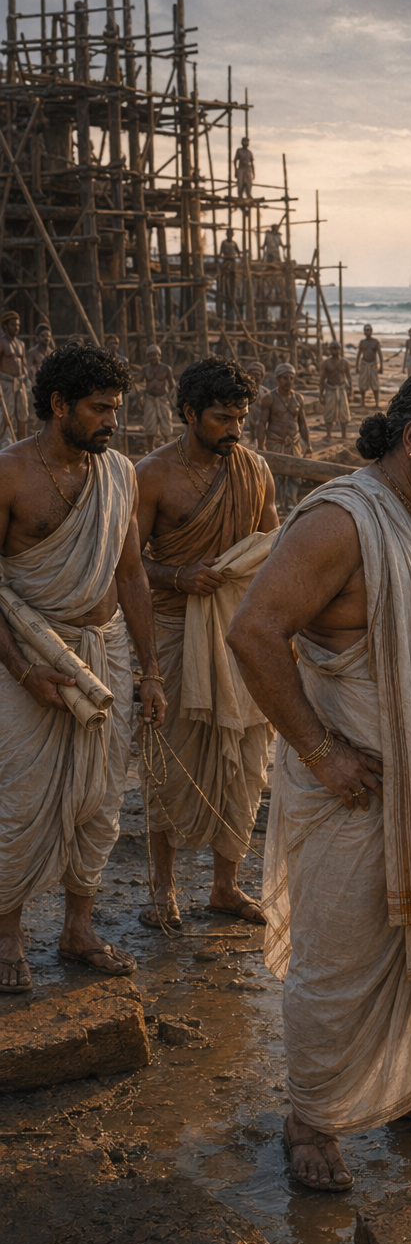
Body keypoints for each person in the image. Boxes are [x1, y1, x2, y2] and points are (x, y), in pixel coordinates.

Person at [227, 365, 411, 1192]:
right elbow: (254, 633)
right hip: (361, 800)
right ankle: (311, 1120)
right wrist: (321, 751)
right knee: (346, 963)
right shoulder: (341, 523)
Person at [0, 343, 166, 992]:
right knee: (21, 799)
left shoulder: (118, 473)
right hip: (28, 655)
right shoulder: (10, 474)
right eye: (100, 410)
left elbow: (131, 576)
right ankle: (8, 935)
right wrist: (22, 673)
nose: (112, 422)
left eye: (116, 410)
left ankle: (77, 928)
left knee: (100, 802)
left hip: (103, 652)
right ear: (59, 405)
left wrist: (150, 672)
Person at [135, 359, 278, 931]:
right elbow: (127, 569)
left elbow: (272, 552)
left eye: (241, 417)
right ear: (190, 413)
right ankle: (163, 889)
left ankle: (225, 886)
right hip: (171, 633)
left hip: (238, 632)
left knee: (244, 760)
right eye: (223, 418)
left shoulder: (255, 469)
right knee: (168, 761)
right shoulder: (151, 476)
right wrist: (178, 577)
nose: (235, 429)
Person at [257, 362, 310, 512]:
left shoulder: (298, 399)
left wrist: (308, 445)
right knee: (276, 475)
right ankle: (276, 504)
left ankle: (291, 501)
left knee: (295, 474)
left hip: (294, 442)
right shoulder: (269, 398)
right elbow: (261, 423)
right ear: (278, 379)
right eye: (285, 378)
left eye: (291, 378)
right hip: (276, 441)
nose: (288, 381)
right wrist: (261, 447)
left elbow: (303, 425)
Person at [137, 344, 175, 452]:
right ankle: (150, 451)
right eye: (151, 355)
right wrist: (139, 398)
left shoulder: (166, 368)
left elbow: (173, 385)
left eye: (155, 355)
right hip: (149, 399)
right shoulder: (145, 369)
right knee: (150, 428)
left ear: (160, 355)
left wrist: (171, 399)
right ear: (147, 357)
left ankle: (167, 451)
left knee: (166, 427)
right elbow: (137, 383)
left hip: (163, 399)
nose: (153, 357)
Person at [0, 310, 29, 446]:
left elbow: (23, 365)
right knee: (7, 415)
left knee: (23, 415)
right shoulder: (1, 343)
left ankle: (22, 444)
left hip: (21, 383)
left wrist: (26, 381)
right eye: (13, 325)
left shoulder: (21, 344)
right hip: (6, 383)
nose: (16, 328)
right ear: (6, 326)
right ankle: (3, 443)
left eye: (18, 325)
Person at [320, 342, 353, 442]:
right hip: (330, 389)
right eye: (333, 348)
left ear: (340, 348)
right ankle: (329, 435)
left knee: (344, 412)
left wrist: (350, 390)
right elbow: (322, 379)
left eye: (337, 348)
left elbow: (349, 377)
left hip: (342, 389)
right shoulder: (326, 363)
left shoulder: (345, 362)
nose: (335, 350)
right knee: (329, 412)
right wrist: (321, 394)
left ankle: (344, 435)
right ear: (330, 349)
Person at [26, 323, 55, 432]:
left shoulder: (51, 353)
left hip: (49, 387)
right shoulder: (32, 352)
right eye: (43, 336)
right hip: (35, 387)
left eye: (48, 335)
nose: (46, 338)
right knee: (34, 415)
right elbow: (28, 369)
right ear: (37, 337)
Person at [355, 325, 384, 407]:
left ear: (371, 331)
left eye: (368, 330)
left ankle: (377, 403)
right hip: (364, 364)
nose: (367, 332)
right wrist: (357, 366)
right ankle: (363, 402)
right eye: (366, 330)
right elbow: (358, 354)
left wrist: (381, 367)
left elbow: (380, 355)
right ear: (364, 332)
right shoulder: (362, 342)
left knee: (375, 384)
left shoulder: (375, 342)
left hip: (373, 364)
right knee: (362, 383)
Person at [244, 360, 269, 444]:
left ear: (262, 377)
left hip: (261, 432)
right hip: (244, 432)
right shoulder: (240, 392)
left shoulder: (266, 394)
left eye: (257, 375)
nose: (255, 377)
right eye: (252, 374)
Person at [219, 230, 241, 318]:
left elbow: (238, 252)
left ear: (232, 235)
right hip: (226, 262)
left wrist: (240, 256)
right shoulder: (224, 243)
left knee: (232, 281)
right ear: (226, 234)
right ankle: (225, 291)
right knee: (225, 278)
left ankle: (231, 294)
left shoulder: (234, 243)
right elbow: (220, 253)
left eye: (231, 234)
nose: (229, 235)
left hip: (232, 263)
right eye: (228, 234)